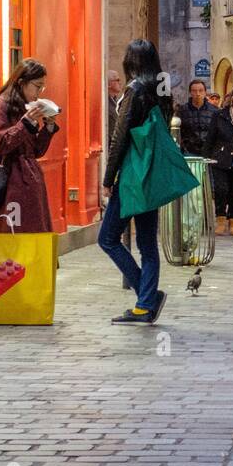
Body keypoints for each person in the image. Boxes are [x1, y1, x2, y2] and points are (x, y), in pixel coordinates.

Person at [99, 39, 172, 325]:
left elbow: (120, 138)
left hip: (132, 174)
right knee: (147, 242)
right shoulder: (160, 92)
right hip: (151, 173)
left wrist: (108, 178)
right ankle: (145, 303)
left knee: (107, 238)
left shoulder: (134, 90)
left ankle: (147, 297)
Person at [0, 58, 58, 233]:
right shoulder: (0, 107)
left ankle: (35, 261)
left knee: (36, 231)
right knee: (14, 232)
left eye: (42, 87)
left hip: (31, 179)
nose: (39, 92)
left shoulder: (25, 108)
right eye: (37, 86)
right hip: (11, 181)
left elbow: (36, 151)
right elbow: (1, 144)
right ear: (21, 82)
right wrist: (25, 123)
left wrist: (48, 127)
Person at [206, 86, 233, 235]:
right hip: (221, 157)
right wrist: (206, 156)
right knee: (221, 189)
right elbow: (211, 137)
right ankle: (220, 219)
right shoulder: (220, 115)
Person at [178, 79, 217, 156]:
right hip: (188, 152)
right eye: (194, 91)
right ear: (190, 92)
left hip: (209, 152)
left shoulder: (214, 111)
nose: (198, 93)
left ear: (205, 92)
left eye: (201, 90)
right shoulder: (182, 111)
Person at [107, 70, 124, 144]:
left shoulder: (116, 101)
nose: (120, 83)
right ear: (108, 84)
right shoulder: (105, 105)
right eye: (117, 80)